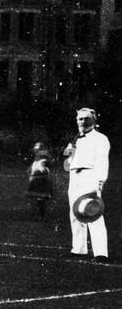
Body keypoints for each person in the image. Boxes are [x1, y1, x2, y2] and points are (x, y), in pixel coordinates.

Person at [64, 107, 109, 260]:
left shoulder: (101, 138)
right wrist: (69, 155)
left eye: (86, 118)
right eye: (80, 119)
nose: (83, 121)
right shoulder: (75, 139)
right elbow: (68, 163)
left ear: (93, 120)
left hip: (90, 176)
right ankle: (79, 248)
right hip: (74, 177)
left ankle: (101, 252)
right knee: (75, 213)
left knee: (92, 212)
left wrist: (99, 182)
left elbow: (102, 162)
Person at [27, 142, 53, 219]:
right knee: (37, 199)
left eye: (37, 150)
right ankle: (39, 214)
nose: (35, 151)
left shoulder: (43, 160)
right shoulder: (37, 160)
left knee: (41, 199)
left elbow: (45, 168)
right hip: (35, 181)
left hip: (41, 182)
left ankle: (42, 215)